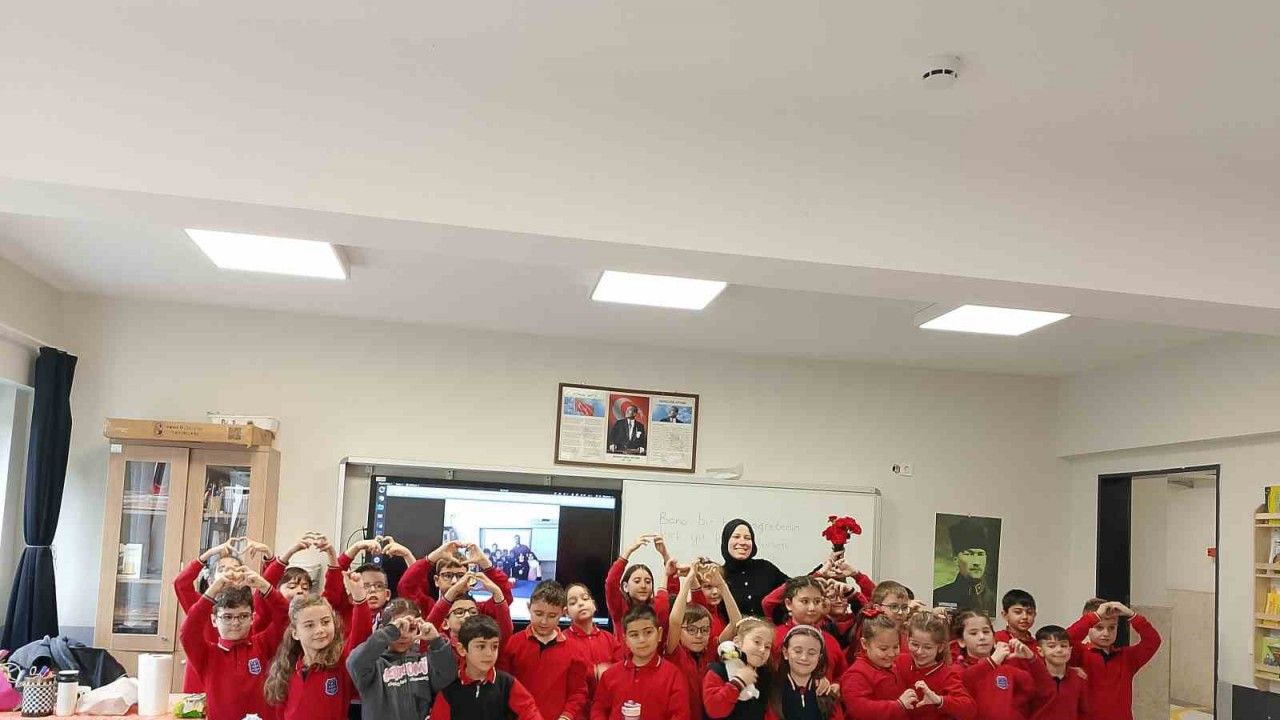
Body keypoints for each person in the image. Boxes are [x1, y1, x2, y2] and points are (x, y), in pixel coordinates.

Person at [179, 566, 288, 720]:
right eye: (227, 617)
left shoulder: (263, 644)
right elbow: (188, 632)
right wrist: (213, 589)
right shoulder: (207, 654)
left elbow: (286, 617)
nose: (235, 623)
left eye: (243, 616)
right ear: (214, 620)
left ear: (252, 618)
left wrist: (265, 586)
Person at [263, 572, 373, 720]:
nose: (320, 630)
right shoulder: (286, 669)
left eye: (325, 622)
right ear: (295, 633)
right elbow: (280, 714)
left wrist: (359, 598)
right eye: (310, 625)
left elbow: (361, 640)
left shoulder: (341, 663)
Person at [346, 598, 457, 720]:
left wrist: (436, 641)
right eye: (399, 628)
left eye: (411, 628)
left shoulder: (425, 660)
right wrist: (390, 631)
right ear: (383, 628)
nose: (403, 635)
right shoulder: (374, 664)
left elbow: (448, 675)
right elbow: (354, 663)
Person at [499, 581, 590, 720]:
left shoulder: (574, 650)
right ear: (529, 607)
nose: (544, 621)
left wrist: (566, 716)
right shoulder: (513, 643)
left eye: (552, 616)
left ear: (563, 612)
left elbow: (578, 692)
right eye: (538, 614)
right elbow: (502, 685)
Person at [430, 615, 545, 720]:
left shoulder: (507, 684)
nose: (489, 653)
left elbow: (530, 712)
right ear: (462, 649)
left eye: (494, 646)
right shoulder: (449, 690)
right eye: (481, 646)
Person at [1065, 600, 1161, 720]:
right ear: (1089, 627)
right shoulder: (1079, 653)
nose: (1106, 633)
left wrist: (1132, 615)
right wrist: (1093, 617)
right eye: (1099, 627)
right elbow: (1064, 640)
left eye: (1111, 627)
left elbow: (1153, 640)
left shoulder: (1126, 657)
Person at [592, 605, 690, 720]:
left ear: (659, 634)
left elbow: (680, 714)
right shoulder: (610, 675)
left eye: (648, 632)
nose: (642, 640)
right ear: (626, 640)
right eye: (634, 635)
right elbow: (598, 710)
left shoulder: (673, 675)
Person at [952, 610, 1047, 720]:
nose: (982, 637)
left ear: (994, 638)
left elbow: (1044, 689)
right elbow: (968, 680)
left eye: (986, 632)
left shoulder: (1008, 670)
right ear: (961, 641)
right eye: (973, 633)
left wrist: (1032, 658)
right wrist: (992, 662)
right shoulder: (956, 670)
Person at [399, 540, 514, 621]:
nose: (454, 581)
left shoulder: (479, 610)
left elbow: (505, 596)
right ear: (436, 580)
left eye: (460, 576)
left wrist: (486, 564)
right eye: (448, 575)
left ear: (469, 580)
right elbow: (406, 587)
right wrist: (432, 557)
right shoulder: (428, 607)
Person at [892, 612, 976, 720]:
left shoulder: (947, 675)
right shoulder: (898, 661)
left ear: (940, 647)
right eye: (915, 644)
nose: (919, 651)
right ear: (907, 639)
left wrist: (939, 700)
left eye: (927, 647)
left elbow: (970, 709)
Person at [770, 577, 847, 681]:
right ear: (789, 604)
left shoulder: (830, 640)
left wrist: (837, 684)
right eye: (805, 601)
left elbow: (843, 675)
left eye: (817, 601)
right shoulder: (774, 637)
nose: (812, 608)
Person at [667, 569, 720, 720]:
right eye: (691, 630)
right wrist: (688, 581)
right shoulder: (674, 652)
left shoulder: (710, 650)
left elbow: (735, 622)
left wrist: (721, 583)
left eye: (704, 630)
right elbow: (675, 621)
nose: (698, 635)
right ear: (680, 631)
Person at [839, 615, 913, 719]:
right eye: (883, 649)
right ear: (864, 644)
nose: (891, 653)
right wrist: (898, 705)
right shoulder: (856, 674)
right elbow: (859, 709)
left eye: (895, 647)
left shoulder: (894, 665)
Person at [426, 570, 514, 656]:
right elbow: (428, 628)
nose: (468, 616)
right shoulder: (439, 646)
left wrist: (497, 592)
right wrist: (454, 590)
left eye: (473, 612)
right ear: (445, 623)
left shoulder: (488, 643)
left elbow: (506, 631)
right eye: (459, 612)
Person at [702, 616, 774, 719]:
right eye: (757, 642)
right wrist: (738, 682)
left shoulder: (766, 676)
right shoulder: (717, 671)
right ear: (737, 642)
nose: (762, 649)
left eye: (767, 647)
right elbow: (715, 710)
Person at [767, 624, 844, 720]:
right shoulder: (771, 690)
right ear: (785, 652)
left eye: (811, 653)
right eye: (798, 651)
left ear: (819, 657)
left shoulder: (826, 694)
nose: (804, 658)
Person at [606, 535, 676, 641]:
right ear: (625, 587)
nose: (643, 586)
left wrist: (665, 555)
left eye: (648, 582)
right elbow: (611, 583)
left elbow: (673, 593)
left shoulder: (656, 606)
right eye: (637, 581)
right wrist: (629, 550)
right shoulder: (619, 607)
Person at [719, 520, 788, 618]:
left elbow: (794, 587)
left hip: (770, 627)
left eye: (747, 538)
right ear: (726, 541)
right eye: (736, 537)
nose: (742, 542)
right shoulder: (719, 575)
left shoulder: (765, 568)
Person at [933, 519, 996, 615]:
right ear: (956, 559)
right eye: (969, 554)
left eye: (980, 554)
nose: (976, 562)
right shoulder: (940, 595)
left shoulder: (993, 599)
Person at [1031, 625, 1088, 720]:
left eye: (1063, 646)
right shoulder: (1032, 678)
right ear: (1040, 651)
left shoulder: (1079, 678)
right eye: (1052, 646)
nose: (1059, 650)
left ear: (1070, 650)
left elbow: (1084, 712)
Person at [565, 582, 620, 680]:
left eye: (585, 598)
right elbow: (564, 672)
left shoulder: (609, 638)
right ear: (566, 612)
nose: (581, 603)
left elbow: (622, 667)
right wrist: (593, 672)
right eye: (573, 602)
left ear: (594, 605)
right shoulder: (563, 640)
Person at [994, 590, 1040, 660]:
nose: (1025, 617)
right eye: (1018, 612)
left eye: (1029, 612)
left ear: (1035, 615)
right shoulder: (996, 639)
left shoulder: (1037, 645)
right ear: (1005, 615)